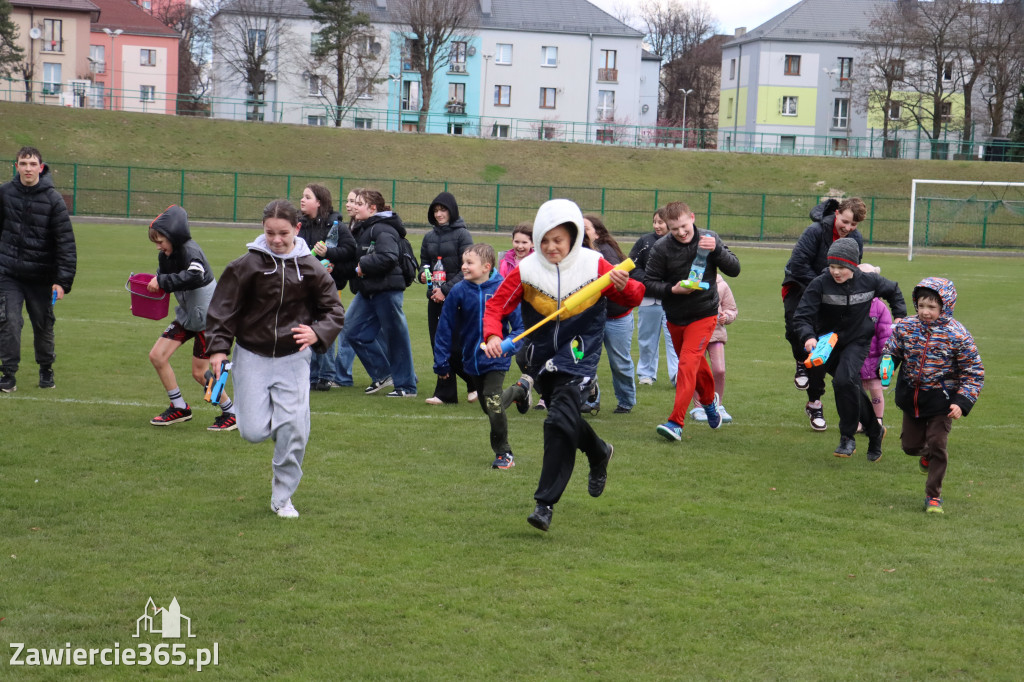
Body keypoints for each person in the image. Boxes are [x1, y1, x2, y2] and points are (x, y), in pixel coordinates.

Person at [483, 199, 644, 532]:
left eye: (558, 240)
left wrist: (622, 284)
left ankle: (544, 505)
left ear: (572, 237)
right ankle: (599, 452)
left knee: (557, 423)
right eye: (545, 240)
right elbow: (495, 308)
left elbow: (635, 296)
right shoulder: (526, 271)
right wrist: (493, 335)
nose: (551, 247)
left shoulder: (595, 264)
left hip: (579, 358)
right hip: (541, 361)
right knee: (565, 418)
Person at [206, 199, 345, 519]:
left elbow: (334, 310)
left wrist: (317, 332)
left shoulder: (310, 267)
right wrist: (218, 348)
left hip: (293, 358)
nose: (277, 239)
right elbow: (222, 309)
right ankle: (283, 424)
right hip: (251, 355)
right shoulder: (246, 265)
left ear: (297, 229)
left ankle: (283, 498)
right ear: (263, 230)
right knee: (252, 431)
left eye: (283, 233)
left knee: (295, 431)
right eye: (270, 233)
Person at [793, 238, 906, 461]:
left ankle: (847, 437)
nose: (836, 272)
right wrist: (807, 337)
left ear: (853, 265)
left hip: (857, 341)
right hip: (828, 345)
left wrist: (900, 314)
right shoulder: (819, 283)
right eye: (832, 266)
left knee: (843, 381)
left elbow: (893, 289)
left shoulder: (869, 281)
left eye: (841, 267)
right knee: (851, 386)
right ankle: (875, 432)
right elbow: (802, 316)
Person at [882, 278, 983, 514]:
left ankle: (933, 496)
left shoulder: (957, 335)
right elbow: (893, 350)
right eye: (921, 306)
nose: (925, 312)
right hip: (912, 398)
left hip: (942, 402)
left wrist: (962, 402)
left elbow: (973, 372)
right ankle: (924, 455)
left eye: (932, 307)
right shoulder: (906, 327)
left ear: (945, 307)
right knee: (909, 446)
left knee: (938, 443)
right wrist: (888, 363)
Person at [644, 201, 740, 441]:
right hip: (675, 317)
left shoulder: (710, 238)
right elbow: (649, 283)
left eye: (684, 226)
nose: (681, 232)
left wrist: (717, 249)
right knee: (697, 367)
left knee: (686, 365)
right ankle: (710, 404)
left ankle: (676, 422)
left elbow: (735, 269)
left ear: (692, 218)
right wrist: (673, 290)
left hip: (704, 315)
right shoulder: (661, 248)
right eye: (674, 228)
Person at [145, 205, 235, 430]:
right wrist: (145, 299)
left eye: (161, 241)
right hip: (187, 317)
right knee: (157, 356)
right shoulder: (165, 256)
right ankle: (179, 407)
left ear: (174, 235)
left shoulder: (190, 250)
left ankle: (231, 412)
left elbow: (195, 275)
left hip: (207, 320)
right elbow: (163, 281)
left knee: (199, 373)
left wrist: (163, 282)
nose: (158, 246)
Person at [434, 244, 523, 469]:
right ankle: (520, 391)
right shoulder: (459, 291)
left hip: (497, 359)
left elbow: (520, 328)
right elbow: (445, 326)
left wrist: (505, 346)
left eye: (469, 263)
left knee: (493, 402)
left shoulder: (504, 288)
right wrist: (441, 361)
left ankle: (504, 453)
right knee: (489, 407)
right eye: (463, 262)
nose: (463, 267)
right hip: (470, 360)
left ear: (486, 266)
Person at [781, 197, 866, 431]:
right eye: (846, 221)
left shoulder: (855, 239)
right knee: (796, 331)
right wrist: (822, 284)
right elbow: (798, 265)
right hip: (799, 286)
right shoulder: (815, 231)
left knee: (822, 348)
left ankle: (814, 402)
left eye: (853, 225)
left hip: (830, 294)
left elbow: (852, 269)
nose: (848, 228)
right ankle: (800, 361)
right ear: (837, 213)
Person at [0, 146, 77, 392]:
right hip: (9, 273)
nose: (28, 168)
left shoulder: (53, 199)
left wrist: (62, 281)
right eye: (23, 163)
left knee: (43, 325)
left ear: (41, 168)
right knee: (9, 323)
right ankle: (8, 374)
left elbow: (65, 243)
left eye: (33, 164)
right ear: (16, 167)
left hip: (42, 277)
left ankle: (46, 368)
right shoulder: (4, 193)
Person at [346, 188, 417, 397]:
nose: (355, 207)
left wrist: (363, 265)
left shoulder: (383, 228)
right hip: (369, 290)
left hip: (387, 290)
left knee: (396, 337)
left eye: (360, 204)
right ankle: (384, 374)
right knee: (352, 331)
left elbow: (388, 257)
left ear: (372, 208)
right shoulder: (365, 227)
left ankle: (406, 386)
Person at [419, 191, 474, 405]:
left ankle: (473, 382)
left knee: (454, 347)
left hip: (456, 298)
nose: (439, 214)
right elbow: (425, 264)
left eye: (443, 210)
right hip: (434, 297)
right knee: (437, 346)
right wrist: (424, 277)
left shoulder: (463, 235)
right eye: (436, 211)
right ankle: (446, 393)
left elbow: (467, 269)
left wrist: (446, 290)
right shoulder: (428, 237)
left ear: (452, 211)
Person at [298, 183, 353, 392]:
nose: (302, 200)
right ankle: (312, 376)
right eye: (303, 196)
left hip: (327, 286)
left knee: (324, 325)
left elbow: (350, 251)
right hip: (304, 284)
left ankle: (326, 375)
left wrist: (329, 257)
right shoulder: (300, 224)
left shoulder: (335, 225)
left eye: (307, 197)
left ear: (319, 202)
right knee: (308, 326)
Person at [583, 214, 637, 414]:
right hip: (590, 317)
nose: (581, 231)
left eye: (585, 228)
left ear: (596, 232)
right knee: (585, 359)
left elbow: (616, 282)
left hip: (616, 317)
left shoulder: (606, 251)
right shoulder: (579, 253)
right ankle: (590, 399)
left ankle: (626, 401)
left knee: (619, 362)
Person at [628, 208, 677, 386]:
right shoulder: (644, 242)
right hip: (649, 299)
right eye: (655, 222)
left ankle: (678, 375)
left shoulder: (679, 242)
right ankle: (646, 374)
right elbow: (632, 266)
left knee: (674, 340)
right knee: (647, 339)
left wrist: (669, 285)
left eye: (661, 222)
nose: (657, 225)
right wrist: (649, 282)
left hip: (674, 300)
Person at [688, 274, 737, 424]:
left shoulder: (721, 285)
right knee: (697, 370)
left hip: (716, 333)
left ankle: (718, 404)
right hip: (696, 334)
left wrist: (726, 317)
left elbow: (732, 309)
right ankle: (699, 407)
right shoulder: (692, 282)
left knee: (719, 370)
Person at [856, 263, 892, 432]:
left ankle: (877, 419)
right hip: (856, 357)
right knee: (858, 392)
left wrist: (884, 357)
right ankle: (858, 420)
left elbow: (885, 335)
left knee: (876, 391)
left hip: (875, 359)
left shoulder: (880, 307)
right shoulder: (852, 304)